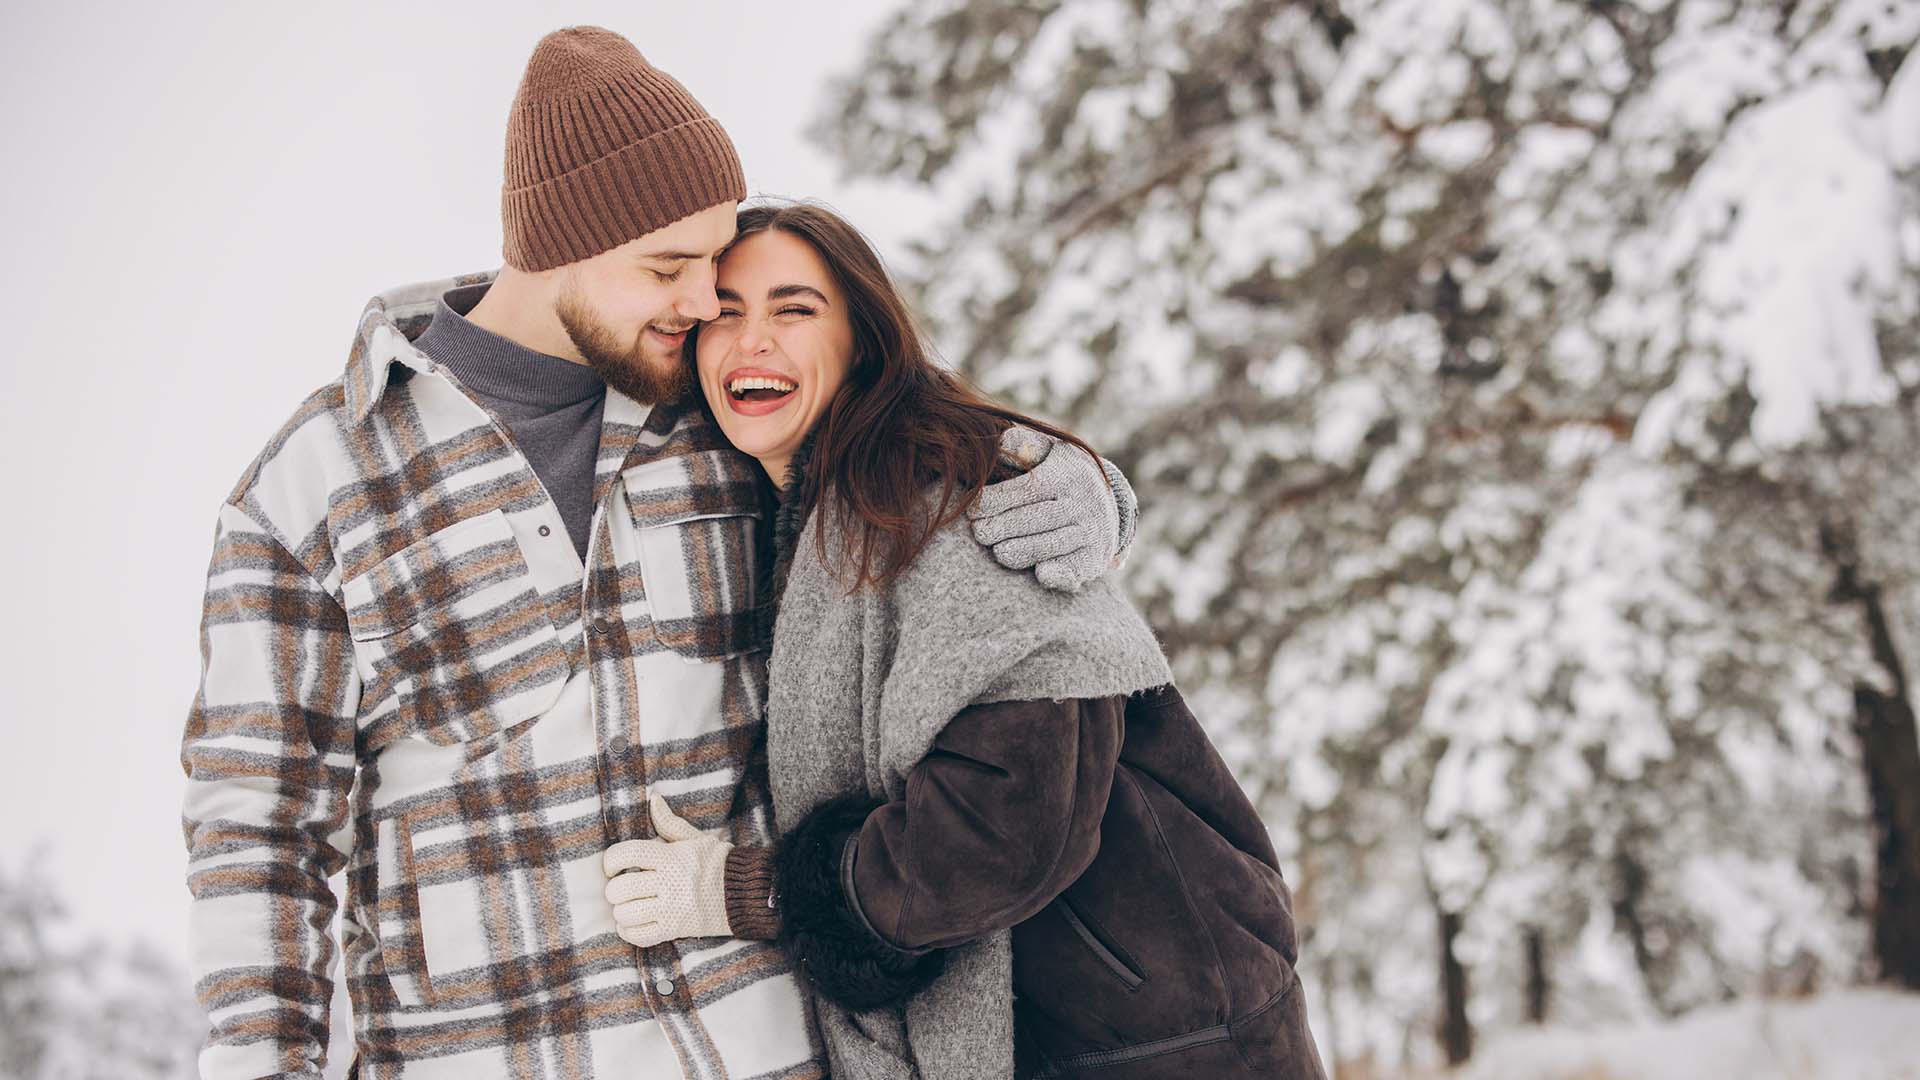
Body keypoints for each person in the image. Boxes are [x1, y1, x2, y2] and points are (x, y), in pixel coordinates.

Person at [180, 28, 1134, 1080]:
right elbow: (258, 837)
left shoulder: (714, 417)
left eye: (712, 263)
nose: (702, 304)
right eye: (668, 268)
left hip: (770, 1053)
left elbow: (913, 450)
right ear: (556, 249)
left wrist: (1070, 482)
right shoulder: (315, 489)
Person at [601, 200, 1328, 1079]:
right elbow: (564, 306)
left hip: (1160, 1034)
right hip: (1099, 1026)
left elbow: (1007, 824)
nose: (753, 340)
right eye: (726, 313)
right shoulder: (813, 506)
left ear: (862, 341)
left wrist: (756, 890)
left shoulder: (945, 502)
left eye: (794, 310)